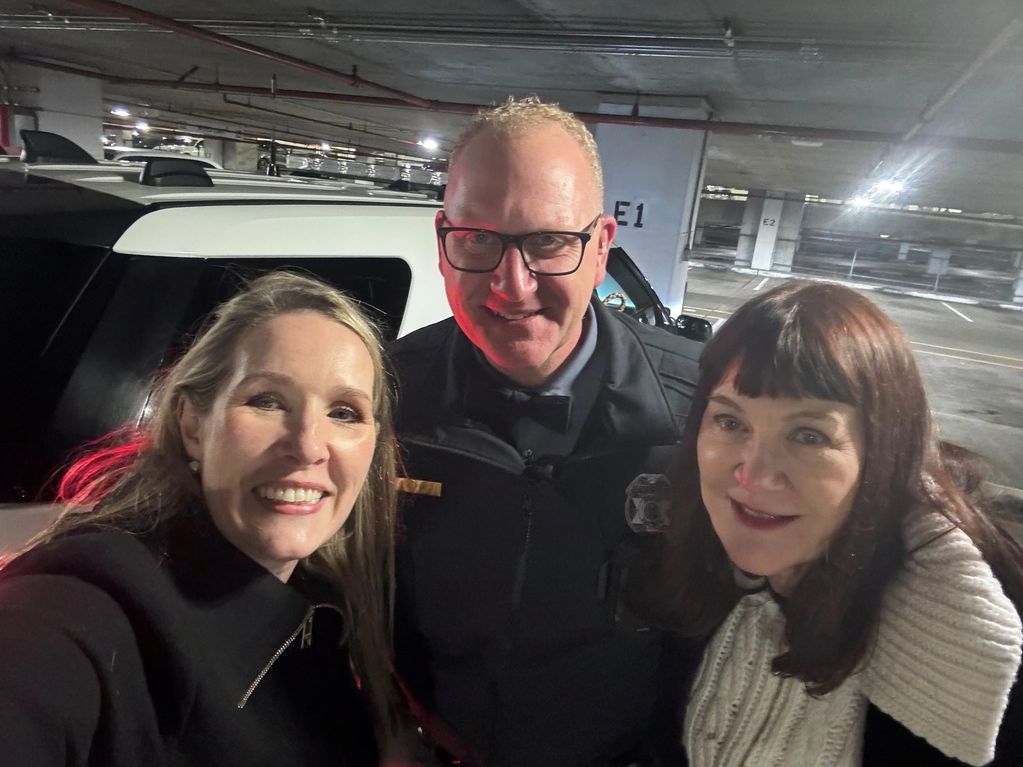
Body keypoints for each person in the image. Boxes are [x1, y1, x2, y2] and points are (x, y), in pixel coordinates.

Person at [388, 96, 703, 766]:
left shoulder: (702, 416)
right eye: (478, 239)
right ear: (443, 243)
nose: (512, 284)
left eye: (549, 242)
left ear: (601, 247)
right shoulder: (381, 397)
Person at [0, 271, 398, 766]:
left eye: (344, 412)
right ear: (192, 425)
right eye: (266, 401)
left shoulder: (325, 614)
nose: (308, 446)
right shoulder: (84, 607)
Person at [643, 281, 1023, 766]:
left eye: (809, 435)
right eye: (731, 422)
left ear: (883, 455)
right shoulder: (686, 552)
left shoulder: (970, 645)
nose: (754, 475)